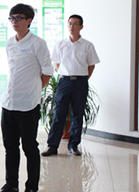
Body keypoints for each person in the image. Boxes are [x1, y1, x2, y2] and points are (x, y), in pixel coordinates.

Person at [0, 4, 53, 192]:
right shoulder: (10, 43)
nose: (14, 21)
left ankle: (32, 188)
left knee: (30, 148)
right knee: (10, 147)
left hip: (28, 105)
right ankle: (11, 185)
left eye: (18, 17)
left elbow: (47, 72)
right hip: (8, 103)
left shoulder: (38, 43)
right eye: (12, 18)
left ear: (29, 20)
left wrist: (34, 91)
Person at [42, 14, 100, 157]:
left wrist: (83, 78)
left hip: (80, 82)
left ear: (81, 27)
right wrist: (66, 75)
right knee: (58, 114)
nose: (72, 26)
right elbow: (57, 63)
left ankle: (73, 145)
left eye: (75, 24)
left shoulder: (87, 45)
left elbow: (91, 65)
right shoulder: (61, 44)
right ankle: (52, 146)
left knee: (77, 114)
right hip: (64, 82)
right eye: (70, 23)